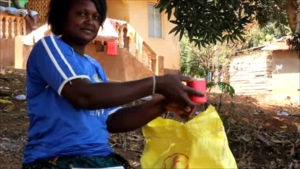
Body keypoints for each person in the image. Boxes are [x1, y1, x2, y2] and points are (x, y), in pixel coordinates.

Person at [22, 0, 204, 168]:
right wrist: (157, 83)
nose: (90, 21)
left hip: (100, 159)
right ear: (62, 16)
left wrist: (163, 104)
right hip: (57, 159)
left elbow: (112, 120)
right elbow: (83, 95)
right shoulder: (49, 47)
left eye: (96, 17)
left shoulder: (94, 66)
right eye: (81, 14)